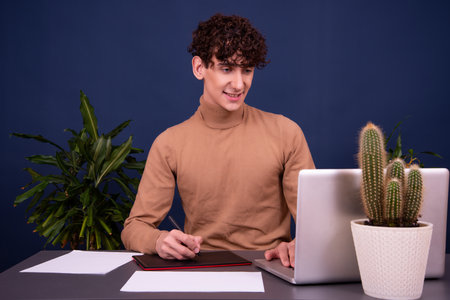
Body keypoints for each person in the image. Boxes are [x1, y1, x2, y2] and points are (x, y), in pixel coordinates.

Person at [121, 13, 315, 268]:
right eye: (226, 68)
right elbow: (134, 228)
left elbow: (317, 224)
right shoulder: (169, 143)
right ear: (199, 68)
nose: (238, 83)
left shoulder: (286, 133)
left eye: (247, 70)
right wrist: (159, 240)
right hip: (201, 270)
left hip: (272, 269)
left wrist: (300, 244)